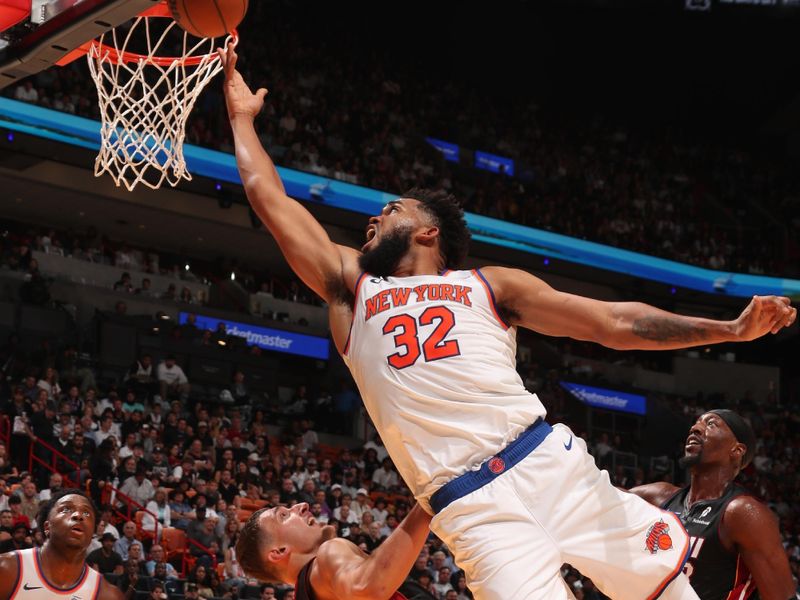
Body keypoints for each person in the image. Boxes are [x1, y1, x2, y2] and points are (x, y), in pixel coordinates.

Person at [219, 42, 796, 600]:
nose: (374, 216)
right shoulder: (352, 289)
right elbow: (266, 196)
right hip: (472, 508)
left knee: (672, 591)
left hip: (546, 463)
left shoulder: (491, 284)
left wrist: (726, 330)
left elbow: (610, 321)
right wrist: (243, 120)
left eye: (390, 209)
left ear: (428, 232)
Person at [630, 410, 795, 600]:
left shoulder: (741, 513)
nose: (695, 428)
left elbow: (782, 597)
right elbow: (600, 495)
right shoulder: (659, 496)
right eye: (696, 423)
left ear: (737, 450)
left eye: (711, 424)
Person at [235, 501, 431, 600]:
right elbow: (367, 587)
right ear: (278, 551)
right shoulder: (328, 554)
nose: (302, 506)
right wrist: (430, 500)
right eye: (284, 515)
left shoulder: (310, 589)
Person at [0, 488, 123, 599]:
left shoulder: (107, 595)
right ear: (47, 527)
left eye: (86, 513)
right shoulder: (7, 569)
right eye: (66, 509)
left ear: (92, 533)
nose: (78, 515)